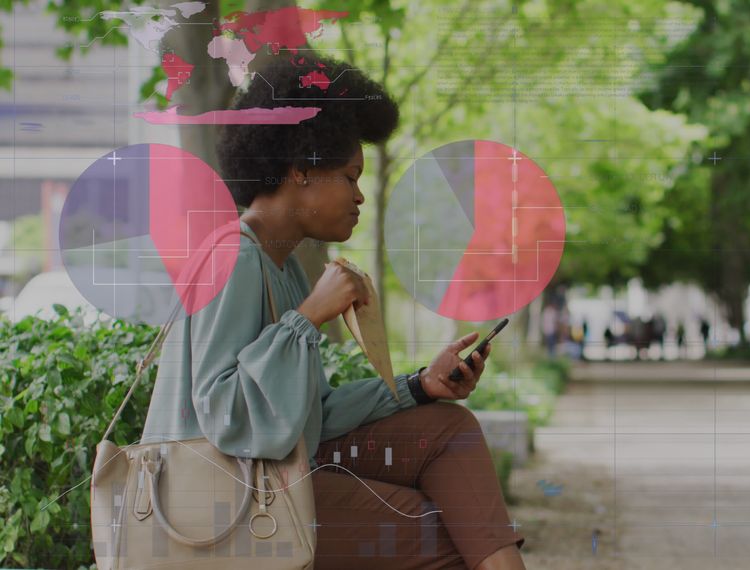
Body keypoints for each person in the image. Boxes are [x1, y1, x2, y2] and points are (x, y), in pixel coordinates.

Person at [140, 56, 525, 570]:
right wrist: (308, 317)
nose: (360, 195)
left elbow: (312, 414)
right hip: (219, 503)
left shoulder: (286, 270)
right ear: (300, 170)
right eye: (349, 176)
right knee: (452, 534)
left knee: (448, 431)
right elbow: (224, 415)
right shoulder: (231, 257)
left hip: (268, 479)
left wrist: (418, 387)